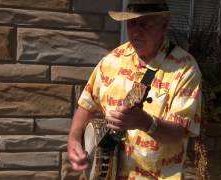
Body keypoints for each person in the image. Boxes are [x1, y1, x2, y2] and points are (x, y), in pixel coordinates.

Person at [67, 0, 202, 179]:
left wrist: (147, 123)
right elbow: (87, 104)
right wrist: (74, 140)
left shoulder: (185, 68)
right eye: (131, 23)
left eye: (145, 24)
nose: (136, 32)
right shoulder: (112, 60)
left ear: (164, 24)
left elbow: (179, 133)